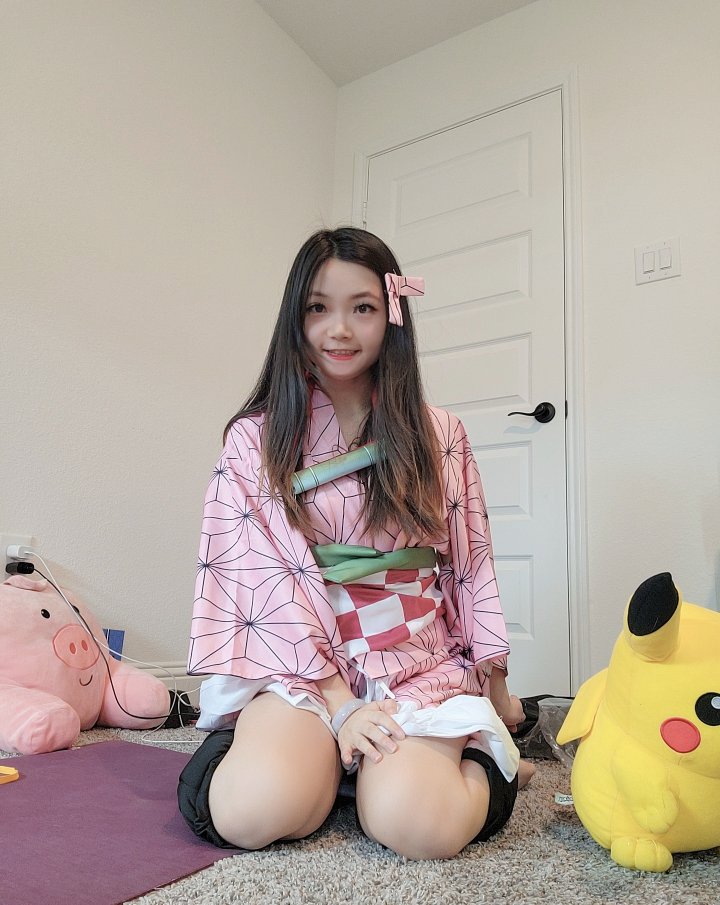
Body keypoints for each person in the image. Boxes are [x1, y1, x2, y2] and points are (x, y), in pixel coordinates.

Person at [178, 227, 533, 860]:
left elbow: (470, 562)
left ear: (392, 313)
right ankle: (311, 759)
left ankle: (488, 766)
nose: (339, 329)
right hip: (301, 664)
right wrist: (340, 706)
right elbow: (261, 577)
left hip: (415, 658)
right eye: (318, 307)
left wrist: (496, 689)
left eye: (362, 307)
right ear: (295, 317)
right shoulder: (254, 439)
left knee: (417, 827)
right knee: (254, 813)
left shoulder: (441, 432)